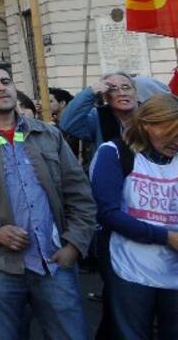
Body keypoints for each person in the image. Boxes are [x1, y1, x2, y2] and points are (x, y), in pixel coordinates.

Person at [0, 60, 96, 340]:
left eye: (5, 82)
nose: (1, 88)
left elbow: (80, 194)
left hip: (53, 261)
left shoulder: (48, 134)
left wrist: (74, 244)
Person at [90, 94, 178, 340]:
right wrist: (166, 237)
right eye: (170, 131)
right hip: (129, 266)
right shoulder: (115, 152)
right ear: (147, 124)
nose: (176, 140)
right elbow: (107, 213)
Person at [59, 72, 139, 148]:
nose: (122, 93)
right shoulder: (98, 117)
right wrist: (90, 92)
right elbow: (69, 124)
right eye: (113, 89)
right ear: (105, 97)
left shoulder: (148, 112)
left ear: (135, 91)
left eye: (126, 87)